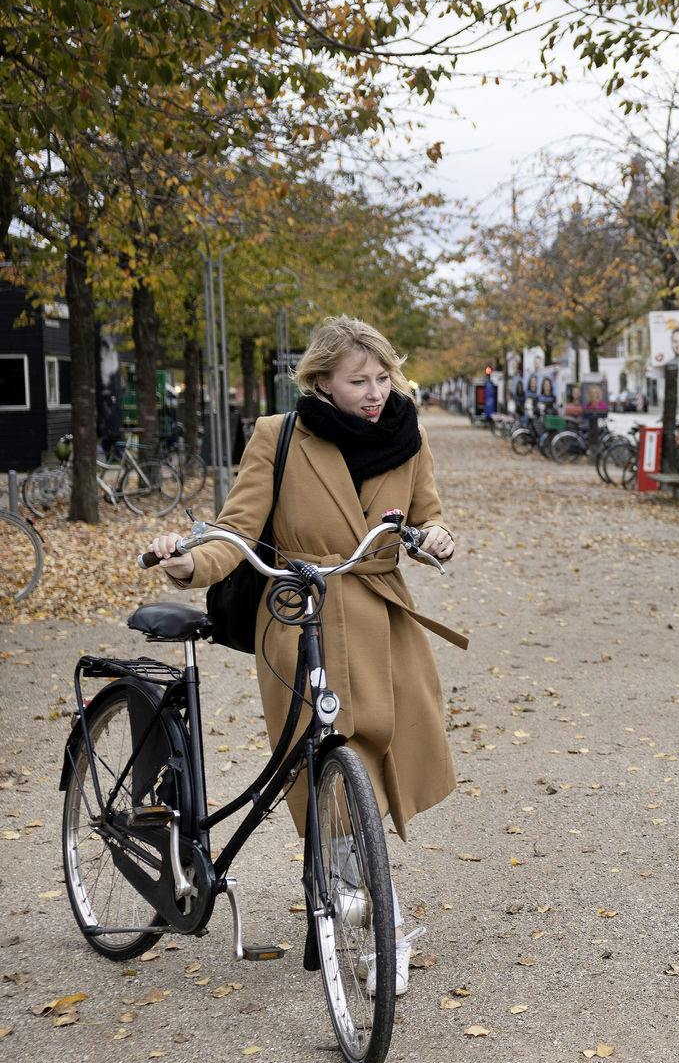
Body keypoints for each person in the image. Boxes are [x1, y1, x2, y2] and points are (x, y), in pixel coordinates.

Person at [145, 316, 463, 997]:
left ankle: (363, 901)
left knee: (377, 762)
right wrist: (188, 564)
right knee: (322, 766)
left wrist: (434, 537)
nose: (376, 391)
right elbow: (236, 529)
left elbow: (427, 513)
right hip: (300, 615)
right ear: (321, 380)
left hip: (381, 614)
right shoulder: (277, 436)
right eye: (359, 380)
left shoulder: (408, 434)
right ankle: (378, 916)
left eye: (382, 376)